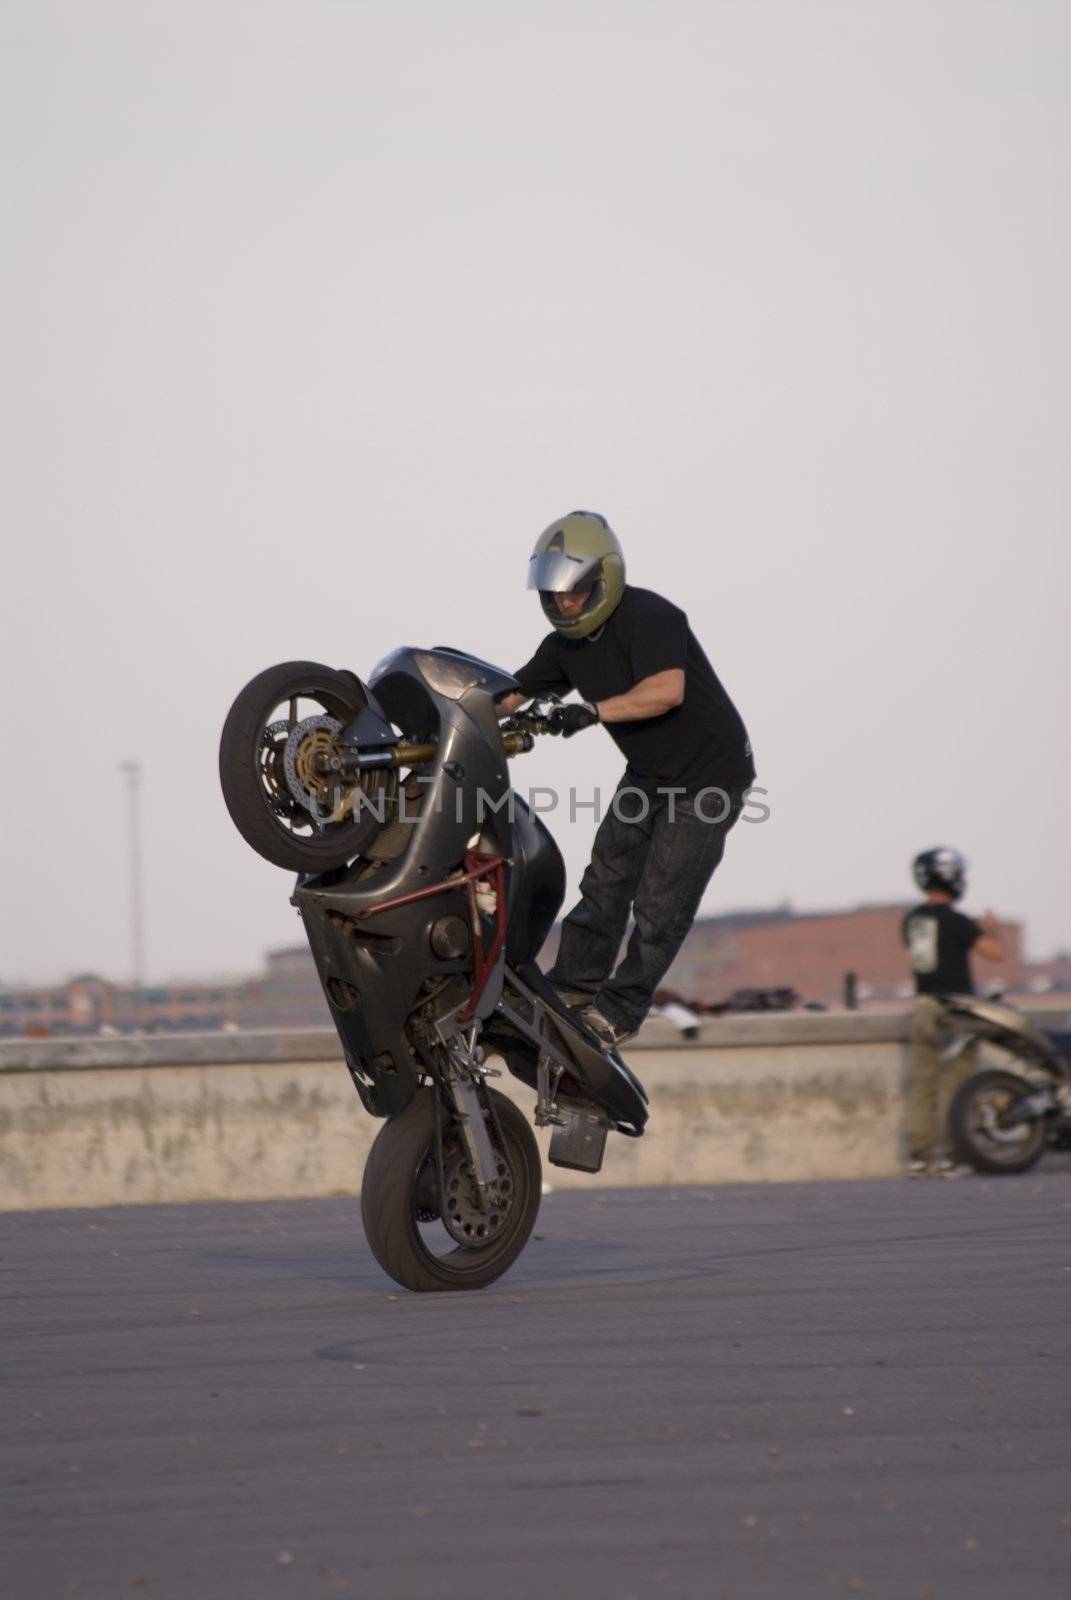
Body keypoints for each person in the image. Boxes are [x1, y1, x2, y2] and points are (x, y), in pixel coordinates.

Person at [496, 510, 756, 1049]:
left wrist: (590, 712)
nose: (565, 603)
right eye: (555, 594)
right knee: (605, 881)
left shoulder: (652, 615)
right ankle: (572, 989)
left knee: (660, 902)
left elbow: (666, 691)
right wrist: (447, 711)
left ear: (604, 580)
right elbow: (510, 695)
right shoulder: (564, 646)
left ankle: (619, 1012)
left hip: (709, 777)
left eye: (576, 591)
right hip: (649, 774)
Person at [902, 848, 1005, 1176]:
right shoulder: (958, 922)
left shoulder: (912, 919)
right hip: (954, 1009)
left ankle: (919, 1157)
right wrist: (989, 929)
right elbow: (995, 953)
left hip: (923, 1008)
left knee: (922, 1084)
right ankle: (951, 1155)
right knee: (957, 1083)